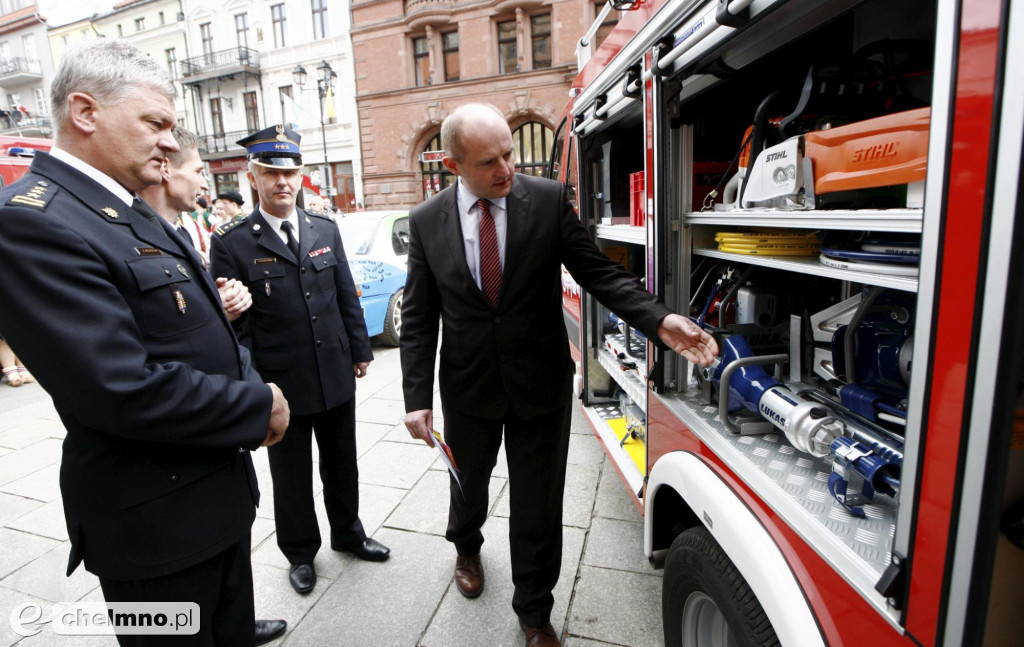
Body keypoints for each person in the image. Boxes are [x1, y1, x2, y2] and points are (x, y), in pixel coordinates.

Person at [0, 40, 291, 646]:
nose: (168, 140)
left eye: (171, 126)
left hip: (213, 501)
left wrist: (246, 391)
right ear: (85, 112)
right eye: (155, 122)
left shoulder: (125, 207)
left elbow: (201, 325)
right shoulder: (35, 220)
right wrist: (257, 405)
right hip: (153, 530)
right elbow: (118, 387)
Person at [400, 103, 718, 647]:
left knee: (538, 504)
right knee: (467, 484)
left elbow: (597, 272)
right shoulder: (428, 221)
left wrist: (658, 319)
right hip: (468, 386)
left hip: (539, 383)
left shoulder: (545, 202)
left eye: (509, 154)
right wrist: (416, 396)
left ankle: (533, 611)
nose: (506, 170)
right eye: (487, 162)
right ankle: (466, 545)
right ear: (453, 165)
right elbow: (419, 314)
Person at [210, 125, 389, 597]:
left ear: (302, 176)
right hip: (280, 383)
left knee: (342, 464)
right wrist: (251, 384)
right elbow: (235, 326)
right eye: (270, 173)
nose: (281, 182)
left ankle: (349, 534)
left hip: (333, 371)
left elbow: (343, 295)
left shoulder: (324, 228)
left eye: (289, 173)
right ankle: (300, 553)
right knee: (290, 476)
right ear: (254, 177)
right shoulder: (231, 242)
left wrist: (360, 348)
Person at [138, 126, 253, 324]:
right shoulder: (136, 236)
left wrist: (216, 300)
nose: (205, 185)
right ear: (165, 168)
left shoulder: (180, 233)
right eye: (198, 172)